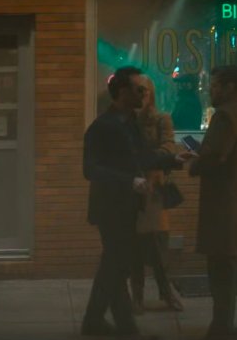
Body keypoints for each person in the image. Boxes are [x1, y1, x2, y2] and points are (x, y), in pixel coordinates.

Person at [82, 66, 195, 337]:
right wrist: (129, 181)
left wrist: (172, 160)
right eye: (139, 89)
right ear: (123, 91)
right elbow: (90, 169)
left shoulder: (129, 122)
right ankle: (122, 327)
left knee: (115, 266)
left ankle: (98, 322)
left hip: (129, 207)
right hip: (110, 208)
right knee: (116, 265)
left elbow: (142, 156)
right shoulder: (102, 126)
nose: (145, 93)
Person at [188, 65, 237, 340]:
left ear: (230, 87)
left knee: (222, 275)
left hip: (225, 210)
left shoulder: (225, 116)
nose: (211, 91)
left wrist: (195, 163)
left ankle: (221, 330)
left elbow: (215, 157)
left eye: (215, 86)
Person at [130, 75, 184, 313]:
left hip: (154, 187)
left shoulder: (162, 119)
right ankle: (137, 295)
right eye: (137, 90)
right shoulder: (128, 120)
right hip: (133, 187)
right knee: (135, 244)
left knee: (158, 243)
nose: (141, 95)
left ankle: (166, 291)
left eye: (145, 90)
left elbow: (168, 146)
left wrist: (147, 160)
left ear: (151, 93)